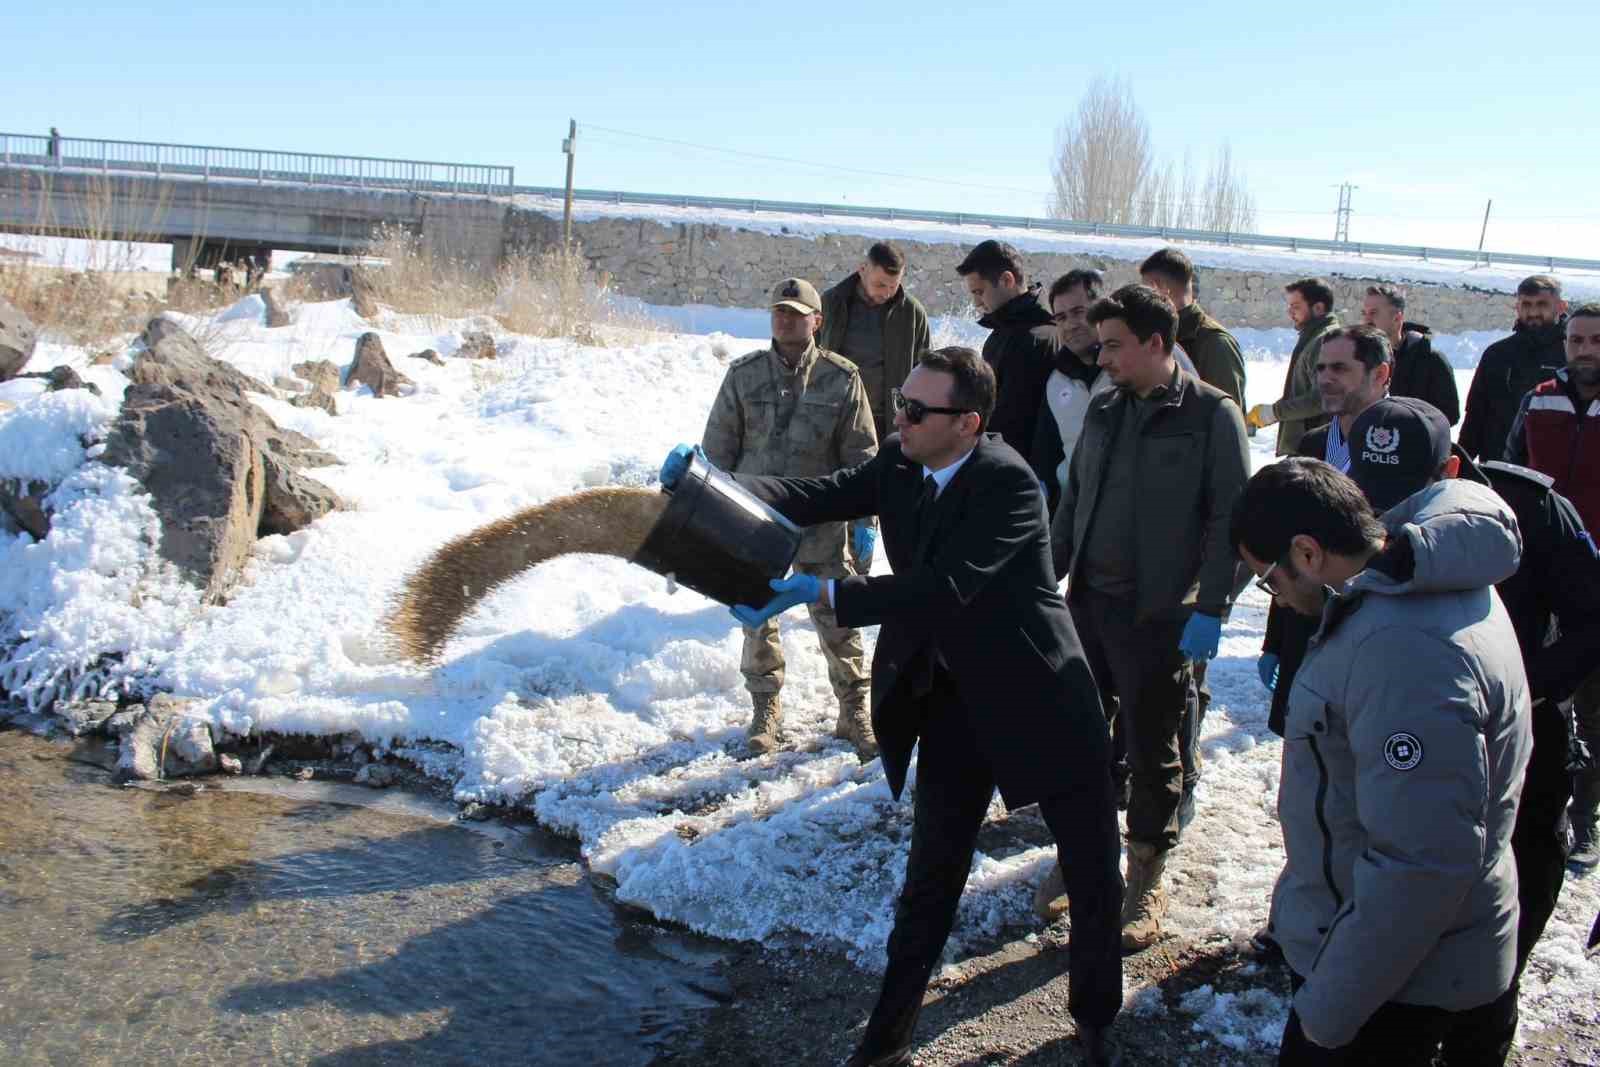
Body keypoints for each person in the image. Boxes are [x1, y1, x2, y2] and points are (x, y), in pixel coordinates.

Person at [669, 346, 1124, 1066]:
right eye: (899, 403)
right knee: (929, 880)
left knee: (1093, 869)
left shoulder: (1008, 484)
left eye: (916, 409)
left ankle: (1095, 1020)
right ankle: (885, 1040)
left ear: (968, 423)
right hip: (949, 698)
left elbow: (946, 586)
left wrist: (827, 593)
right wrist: (712, 484)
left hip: (1038, 693)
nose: (898, 418)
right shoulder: (903, 461)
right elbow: (818, 494)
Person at [1232, 456, 1529, 1065]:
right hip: (1398, 957)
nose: (1279, 601)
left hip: (1397, 986)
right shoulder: (1412, 587)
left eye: (1272, 581)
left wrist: (1327, 1012)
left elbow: (1420, 864)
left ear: (1308, 553)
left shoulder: (1401, 650)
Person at [1340, 395, 1600, 1063]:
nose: (1388, 512)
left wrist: (1522, 685)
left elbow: (1594, 617)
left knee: (1496, 949)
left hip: (1523, 750)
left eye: (1407, 492)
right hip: (1402, 752)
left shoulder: (1533, 511)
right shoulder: (1353, 508)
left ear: (1453, 465)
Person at [1049, 284, 1250, 951]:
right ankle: (1082, 856)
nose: (1100, 357)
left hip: (1160, 615)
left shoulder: (1211, 416)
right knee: (1079, 738)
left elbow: (1229, 518)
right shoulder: (1106, 409)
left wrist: (1212, 607)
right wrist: (1045, 575)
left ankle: (1146, 872)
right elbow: (1073, 501)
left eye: (1113, 345)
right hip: (1090, 605)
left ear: (1156, 344)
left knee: (1152, 747)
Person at [700, 277, 880, 760]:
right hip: (756, 522)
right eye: (779, 311)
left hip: (822, 523)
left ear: (816, 321)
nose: (786, 320)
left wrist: (864, 521)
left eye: (797, 313)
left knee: (838, 618)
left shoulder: (843, 379)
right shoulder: (744, 375)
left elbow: (862, 457)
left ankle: (853, 709)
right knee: (758, 619)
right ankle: (765, 708)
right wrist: (714, 516)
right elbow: (718, 451)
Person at [1506, 300, 1600, 872]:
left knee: (1594, 705)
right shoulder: (1538, 397)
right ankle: (1538, 803)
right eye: (1577, 342)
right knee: (1539, 690)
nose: (1585, 351)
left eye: (1595, 341)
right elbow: (1513, 467)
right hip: (1543, 572)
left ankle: (1585, 816)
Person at [819, 241, 932, 443]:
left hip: (888, 423)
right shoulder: (831, 304)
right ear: (862, 270)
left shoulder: (912, 314)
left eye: (894, 286)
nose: (887, 293)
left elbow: (925, 372)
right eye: (880, 285)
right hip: (836, 418)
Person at [956, 240, 1057, 457]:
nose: (976, 303)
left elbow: (1011, 422)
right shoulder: (1005, 332)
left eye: (979, 292)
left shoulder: (1034, 338)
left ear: (1006, 280)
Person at [1459, 275, 1568, 462]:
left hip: (1556, 467)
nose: (1533, 312)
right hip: (1500, 467)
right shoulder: (1497, 354)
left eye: (1542, 304)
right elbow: (1476, 416)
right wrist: (1461, 464)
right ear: (1517, 307)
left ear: (1560, 306)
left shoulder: (1574, 354)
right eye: (1526, 304)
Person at [1030, 268, 1111, 517]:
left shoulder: (1127, 370)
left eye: (1079, 312)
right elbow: (1045, 457)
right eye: (1061, 318)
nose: (1071, 325)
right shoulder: (1055, 381)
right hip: (1073, 515)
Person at [1139, 247, 1247, 410]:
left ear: (1161, 289)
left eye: (1146, 291)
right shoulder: (1160, 334)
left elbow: (1229, 417)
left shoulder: (1215, 343)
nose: (1142, 299)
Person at [1246, 277, 1341, 455]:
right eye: (1289, 306)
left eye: (1296, 307)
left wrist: (1273, 412)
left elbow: (1321, 399)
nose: (1290, 312)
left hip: (1313, 450)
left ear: (1318, 308)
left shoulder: (1324, 341)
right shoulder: (1314, 337)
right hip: (1307, 447)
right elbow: (1303, 392)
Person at [1361, 283, 1460, 425]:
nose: (1366, 320)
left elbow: (1449, 415)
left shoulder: (1431, 360)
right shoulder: (1358, 358)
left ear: (1397, 318)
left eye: (1374, 313)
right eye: (1364, 313)